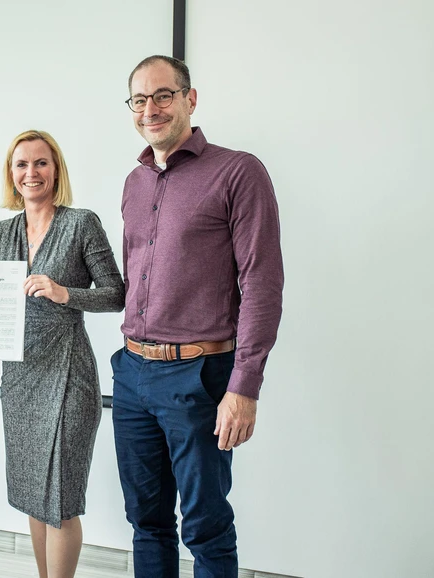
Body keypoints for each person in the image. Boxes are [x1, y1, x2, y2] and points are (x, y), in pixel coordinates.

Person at [112, 54, 285, 577]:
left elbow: (262, 283)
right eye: (139, 100)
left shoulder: (238, 171)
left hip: (199, 375)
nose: (151, 109)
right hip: (132, 371)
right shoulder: (134, 183)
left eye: (163, 95)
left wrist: (244, 386)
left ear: (190, 99)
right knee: (145, 521)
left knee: (205, 524)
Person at [0, 130, 124, 578]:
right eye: (22, 164)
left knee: (58, 499)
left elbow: (116, 294)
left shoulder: (81, 223)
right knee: (33, 496)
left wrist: (64, 293)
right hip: (19, 379)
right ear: (11, 173)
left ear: (56, 170)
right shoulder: (0, 232)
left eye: (41, 163)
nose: (31, 172)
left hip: (67, 373)